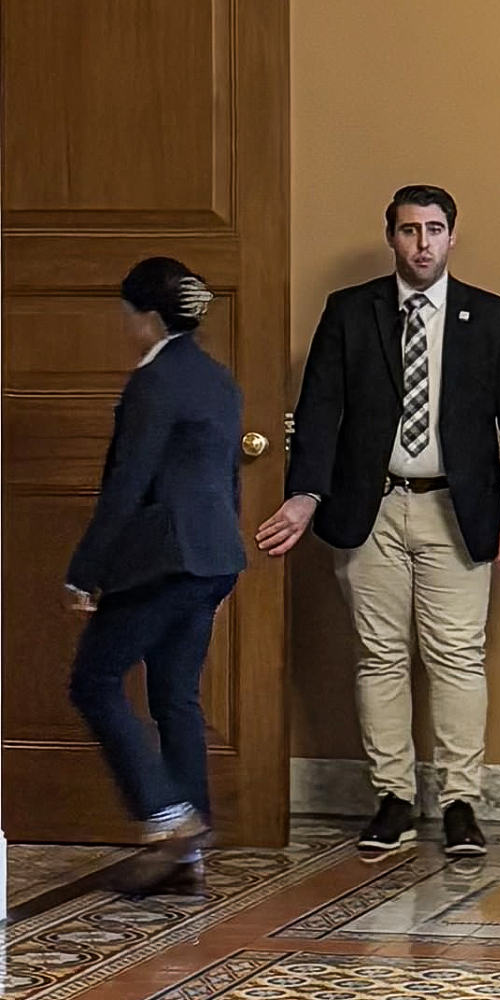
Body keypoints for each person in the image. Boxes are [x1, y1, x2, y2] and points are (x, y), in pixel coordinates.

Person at [256, 184, 500, 857]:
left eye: (435, 229)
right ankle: (392, 797)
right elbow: (320, 409)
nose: (422, 244)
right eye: (409, 230)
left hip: (460, 507)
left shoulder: (493, 318)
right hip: (371, 505)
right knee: (380, 656)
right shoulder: (350, 313)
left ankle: (459, 803)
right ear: (391, 237)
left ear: (454, 236)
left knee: (457, 656)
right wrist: (306, 494)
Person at [67, 257, 245, 895]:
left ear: (145, 317)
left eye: (128, 315)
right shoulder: (218, 380)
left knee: (93, 681)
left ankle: (168, 817)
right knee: (175, 695)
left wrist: (85, 571)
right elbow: (225, 480)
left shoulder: (153, 383)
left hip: (160, 561)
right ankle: (188, 857)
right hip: (213, 558)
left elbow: (128, 485)